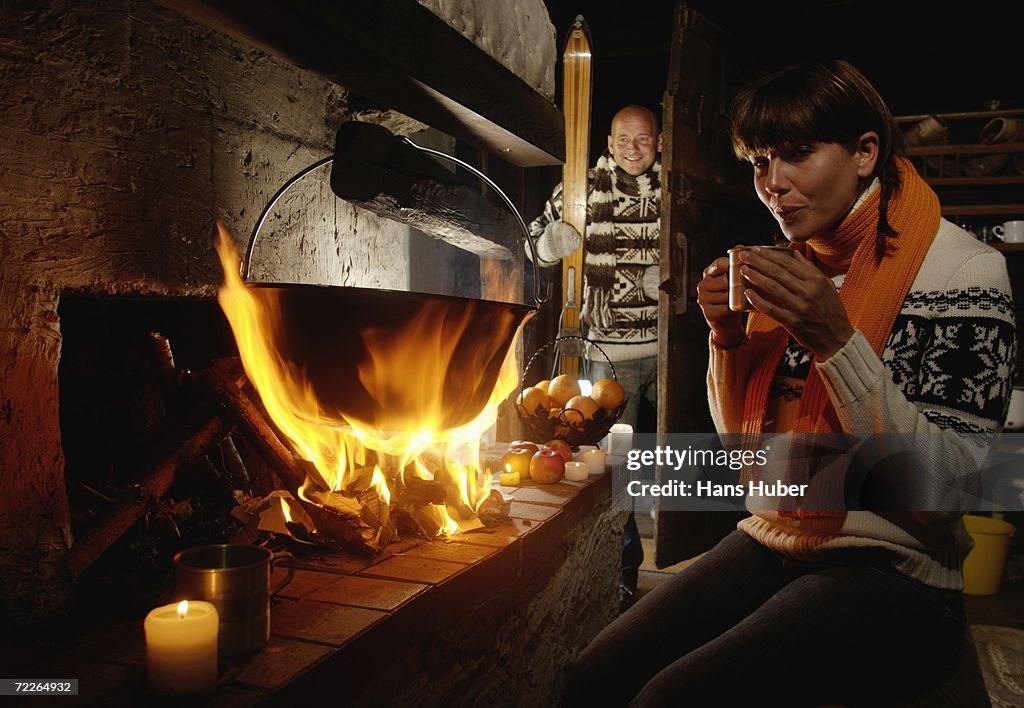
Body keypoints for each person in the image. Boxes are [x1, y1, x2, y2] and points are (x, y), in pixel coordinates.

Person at [562, 60, 1016, 706]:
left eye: (797, 155)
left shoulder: (964, 272)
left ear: (865, 153)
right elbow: (750, 465)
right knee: (595, 676)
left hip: (897, 566)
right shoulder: (788, 268)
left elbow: (953, 490)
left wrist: (836, 341)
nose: (773, 185)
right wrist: (726, 339)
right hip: (779, 534)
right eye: (759, 163)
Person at [528, 104, 663, 608]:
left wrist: (674, 273)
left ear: (660, 143)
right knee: (616, 469)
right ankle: (622, 573)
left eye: (643, 140)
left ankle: (690, 566)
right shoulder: (580, 194)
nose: (633, 150)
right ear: (609, 143)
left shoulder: (677, 194)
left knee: (686, 452)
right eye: (624, 140)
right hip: (611, 354)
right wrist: (547, 244)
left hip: (674, 350)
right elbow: (533, 246)